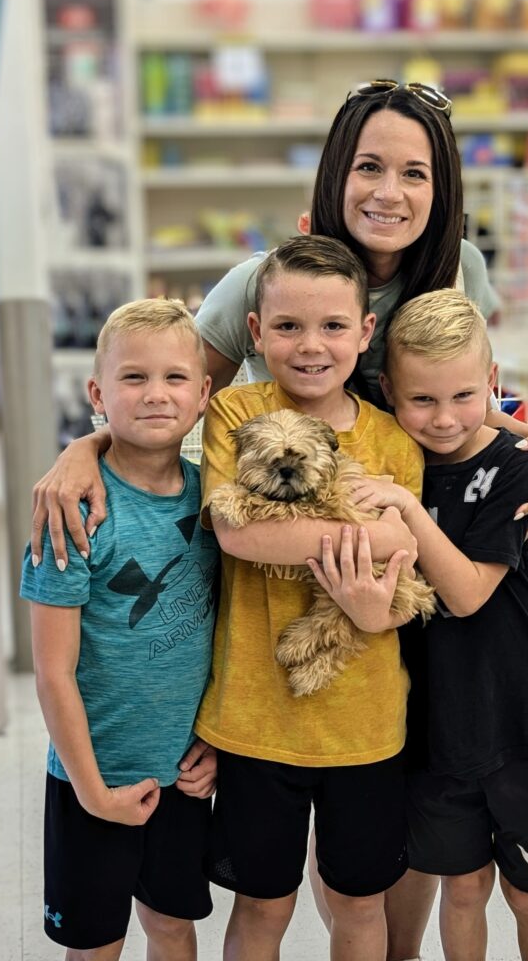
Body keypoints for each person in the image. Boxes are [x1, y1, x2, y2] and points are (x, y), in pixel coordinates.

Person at [29, 79, 528, 569]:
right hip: (290, 536)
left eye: (414, 173)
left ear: (441, 192)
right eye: (369, 167)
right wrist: (88, 448)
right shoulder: (262, 284)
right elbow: (176, 396)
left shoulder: (462, 269)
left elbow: (463, 402)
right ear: (337, 175)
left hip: (429, 530)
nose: (389, 193)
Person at [308, 288, 528, 961]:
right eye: (421, 400)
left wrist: (406, 508)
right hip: (434, 729)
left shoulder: (517, 468)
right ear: (388, 393)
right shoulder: (394, 465)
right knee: (462, 889)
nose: (442, 418)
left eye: (463, 396)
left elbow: (465, 595)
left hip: (520, 722)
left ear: (491, 383)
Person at [196, 235, 422, 961]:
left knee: (358, 902)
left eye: (332, 326)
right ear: (256, 332)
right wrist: (371, 535)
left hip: (366, 722)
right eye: (288, 326)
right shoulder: (235, 413)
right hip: (254, 717)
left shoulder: (395, 442)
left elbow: (402, 570)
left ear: (365, 332)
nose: (311, 345)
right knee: (261, 903)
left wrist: (383, 553)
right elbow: (238, 533)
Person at [20, 299, 220, 961]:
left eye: (174, 377)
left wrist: (215, 743)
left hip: (182, 776)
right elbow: (52, 672)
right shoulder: (71, 512)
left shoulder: (218, 502)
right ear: (98, 394)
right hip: (92, 778)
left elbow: (226, 636)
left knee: (172, 927)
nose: (156, 394)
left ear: (203, 394)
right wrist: (92, 791)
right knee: (95, 944)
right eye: (134, 377)